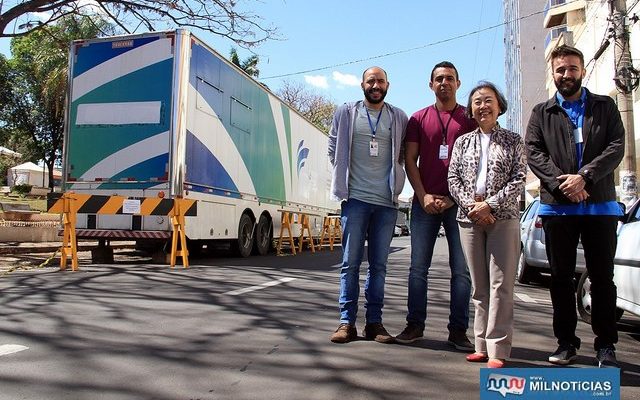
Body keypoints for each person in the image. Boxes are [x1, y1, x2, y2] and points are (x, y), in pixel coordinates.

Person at [526, 45, 625, 368]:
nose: (566, 75)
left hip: (599, 207)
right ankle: (566, 342)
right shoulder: (542, 112)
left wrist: (585, 177)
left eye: (571, 68)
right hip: (558, 209)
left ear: (582, 70)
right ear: (552, 74)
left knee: (602, 278)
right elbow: (535, 153)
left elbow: (615, 147)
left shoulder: (605, 106)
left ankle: (606, 345)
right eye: (560, 70)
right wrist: (563, 184)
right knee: (560, 279)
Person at [395, 61, 476, 350]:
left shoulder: (470, 117)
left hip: (461, 204)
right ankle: (414, 325)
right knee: (418, 268)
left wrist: (456, 197)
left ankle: (458, 331)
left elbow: (478, 163)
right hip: (424, 204)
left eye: (450, 78)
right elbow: (410, 160)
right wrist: (423, 195)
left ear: (458, 83)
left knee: (461, 271)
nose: (444, 83)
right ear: (431, 85)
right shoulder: (418, 119)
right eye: (439, 79)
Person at [327, 66, 408, 344]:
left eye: (380, 81)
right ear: (362, 84)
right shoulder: (347, 112)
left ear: (388, 85)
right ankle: (346, 323)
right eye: (371, 81)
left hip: (386, 203)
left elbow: (402, 155)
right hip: (355, 200)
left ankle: (374, 323)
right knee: (350, 264)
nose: (376, 85)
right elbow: (333, 147)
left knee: (379, 266)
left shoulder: (398, 117)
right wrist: (343, 177)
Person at [448, 81, 526, 368]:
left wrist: (490, 205)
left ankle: (498, 350)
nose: (483, 106)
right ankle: (480, 344)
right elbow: (452, 179)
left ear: (499, 105)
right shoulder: (462, 142)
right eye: (477, 101)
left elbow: (519, 178)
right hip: (469, 219)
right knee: (479, 287)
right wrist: (473, 207)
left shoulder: (513, 140)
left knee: (500, 286)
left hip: (502, 219)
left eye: (488, 100)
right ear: (471, 108)